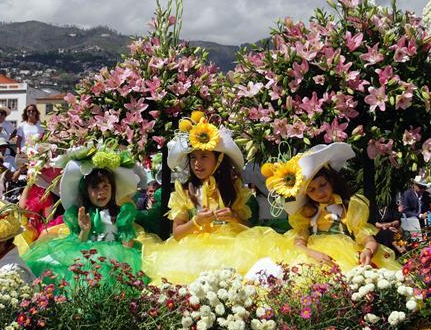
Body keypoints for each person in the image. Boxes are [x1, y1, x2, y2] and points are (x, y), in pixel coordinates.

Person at [141, 111, 279, 285]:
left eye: (204, 157)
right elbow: (176, 233)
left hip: (232, 248)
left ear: (219, 159)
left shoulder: (232, 189)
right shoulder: (185, 190)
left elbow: (248, 227)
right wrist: (196, 222)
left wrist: (233, 218)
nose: (198, 163)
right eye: (193, 158)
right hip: (193, 253)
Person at [263, 143, 401, 272]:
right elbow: (299, 243)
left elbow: (368, 239)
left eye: (322, 185)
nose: (319, 193)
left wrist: (368, 250)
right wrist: (312, 253)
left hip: (346, 256)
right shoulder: (307, 213)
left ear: (332, 181)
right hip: (312, 258)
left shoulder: (348, 209)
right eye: (311, 190)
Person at [23, 145, 143, 289]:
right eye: (95, 188)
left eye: (106, 187)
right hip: (87, 254)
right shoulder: (83, 213)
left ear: (113, 189)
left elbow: (126, 243)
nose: (101, 193)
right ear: (86, 191)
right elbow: (79, 242)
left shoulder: (121, 213)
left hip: (114, 256)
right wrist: (84, 229)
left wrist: (126, 258)